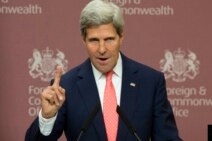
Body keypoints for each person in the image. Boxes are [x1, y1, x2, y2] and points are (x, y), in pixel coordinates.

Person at [25, 0, 182, 141]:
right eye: (94, 40)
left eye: (109, 39)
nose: (102, 49)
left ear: (121, 37)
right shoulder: (66, 86)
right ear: (83, 40)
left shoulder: (150, 82)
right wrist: (47, 116)